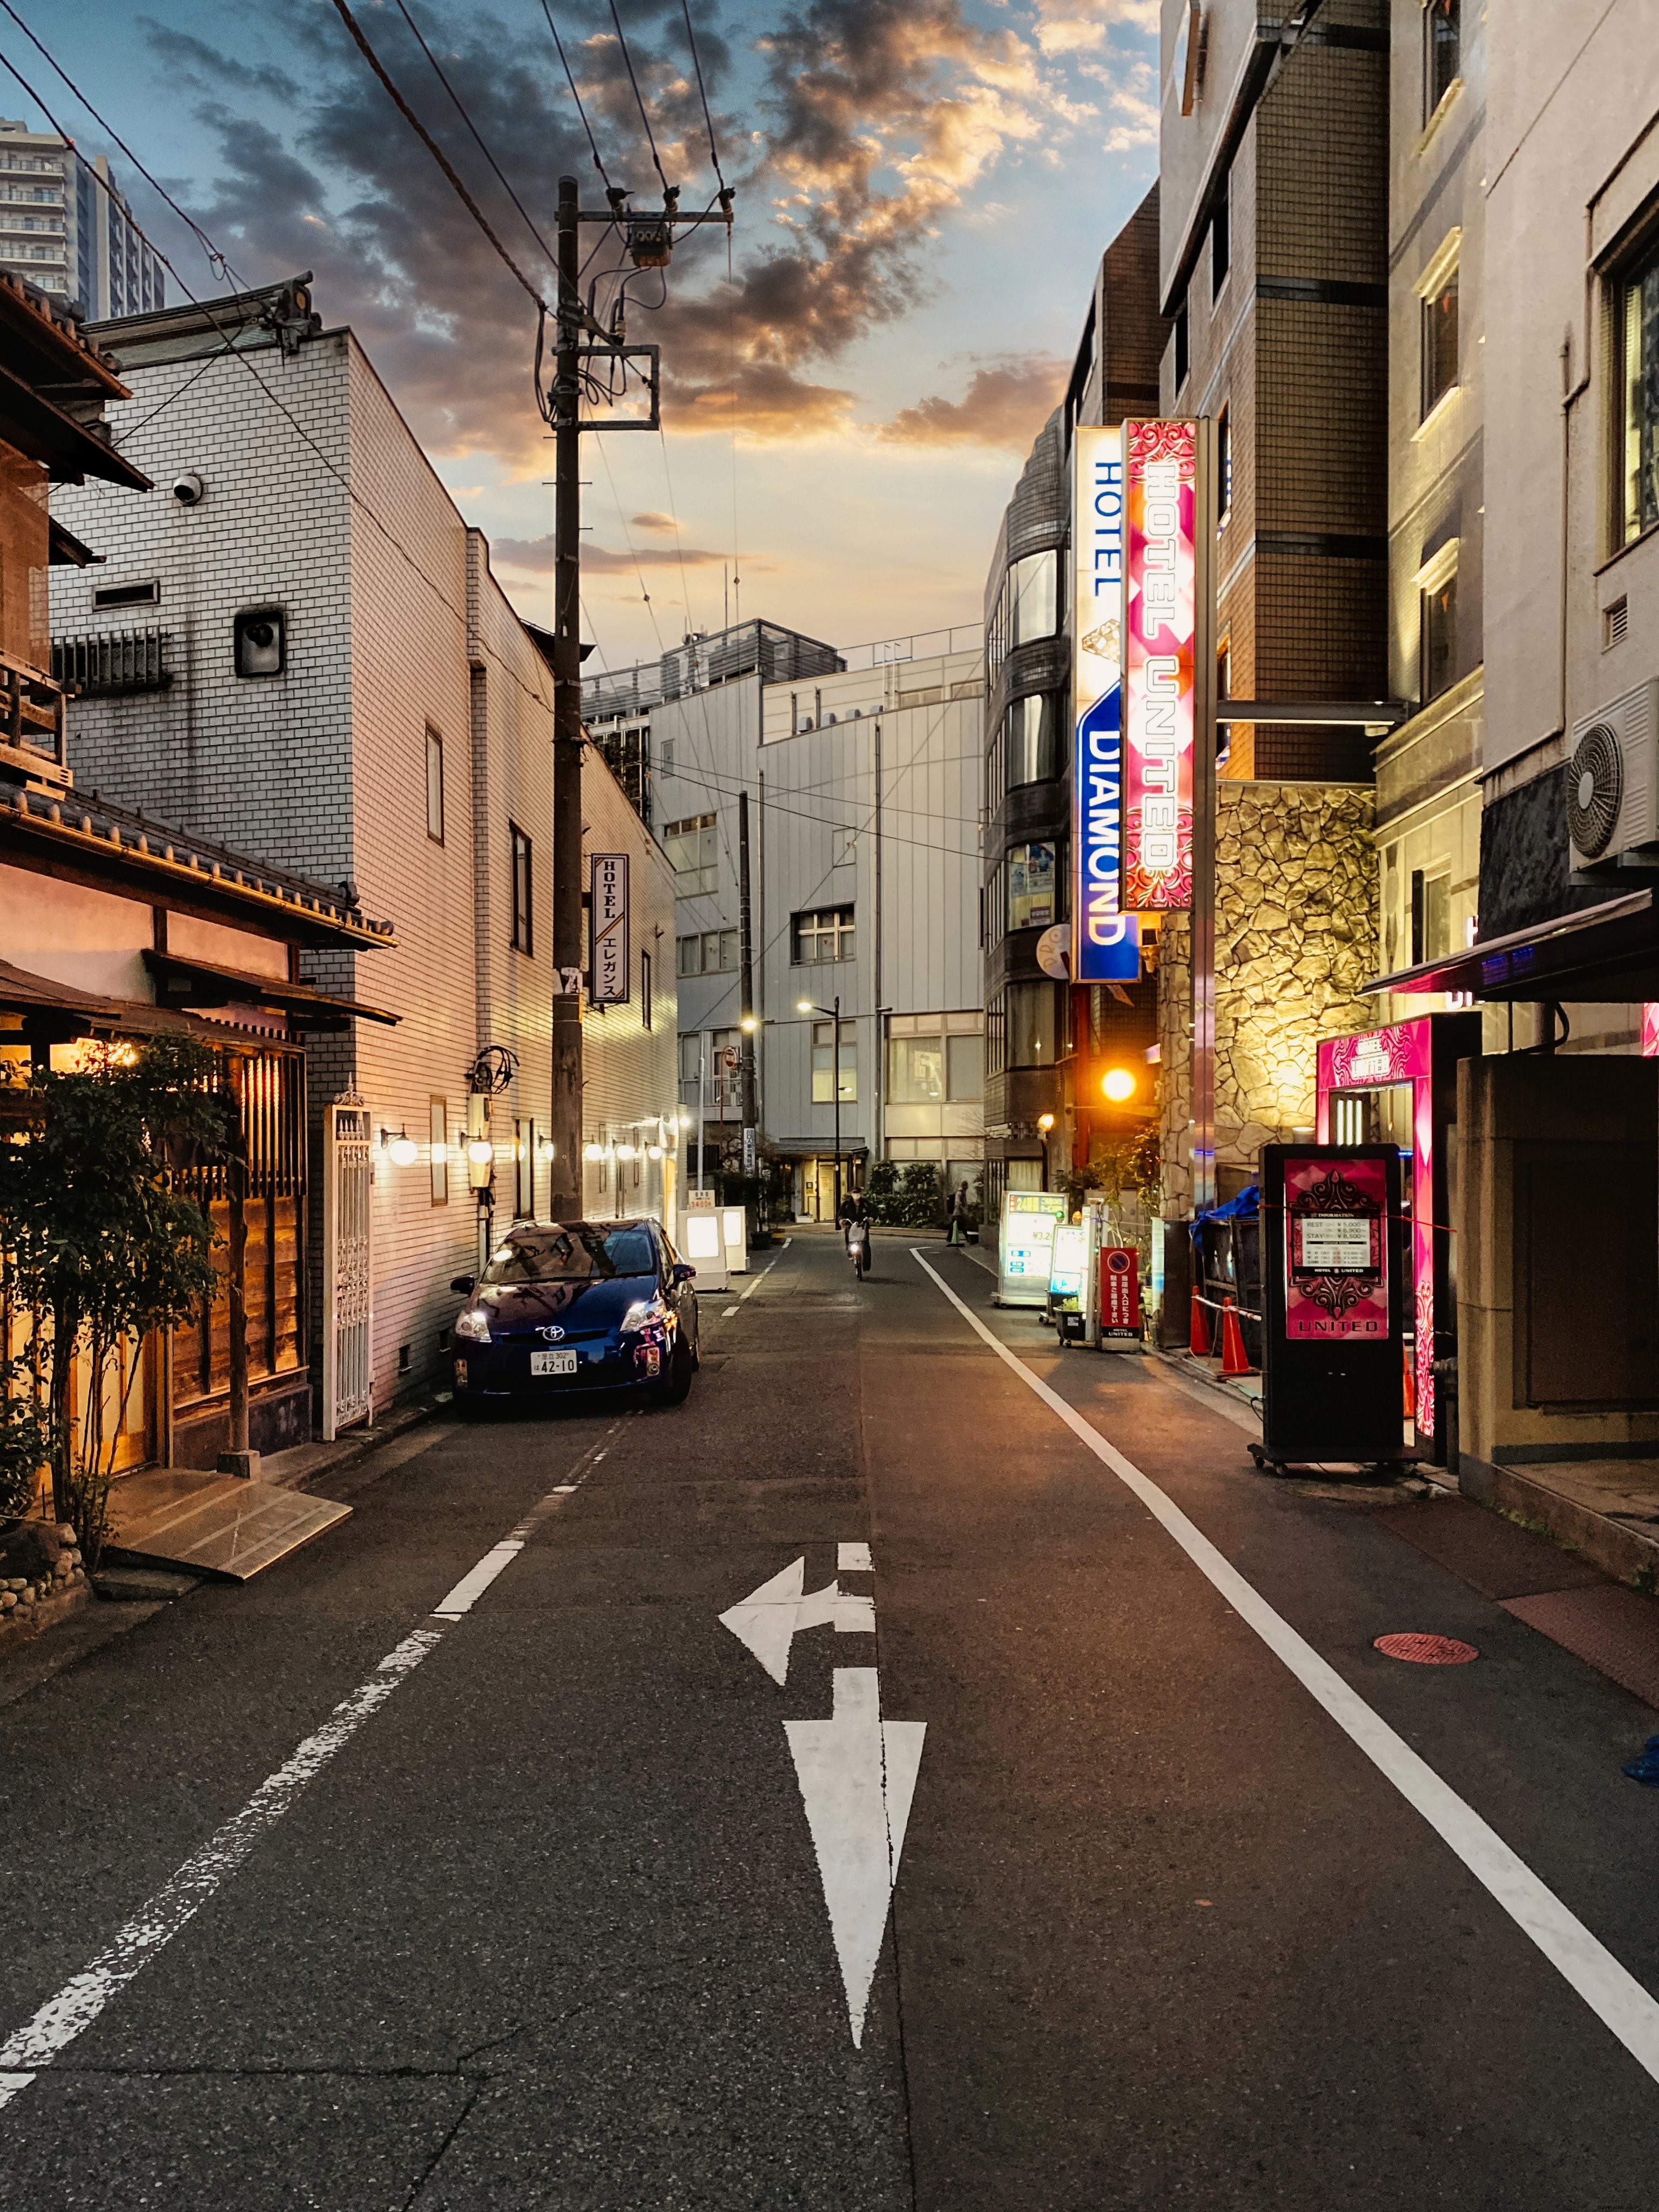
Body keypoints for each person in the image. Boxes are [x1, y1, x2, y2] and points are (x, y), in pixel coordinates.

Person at [947, 1180, 970, 1246]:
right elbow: (958, 1203)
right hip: (958, 1213)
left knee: (954, 1225)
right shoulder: (960, 1193)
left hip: (958, 1212)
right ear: (964, 1186)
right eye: (966, 1185)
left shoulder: (962, 1192)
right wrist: (963, 1210)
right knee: (962, 1226)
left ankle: (949, 1238)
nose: (967, 1187)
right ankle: (968, 1238)